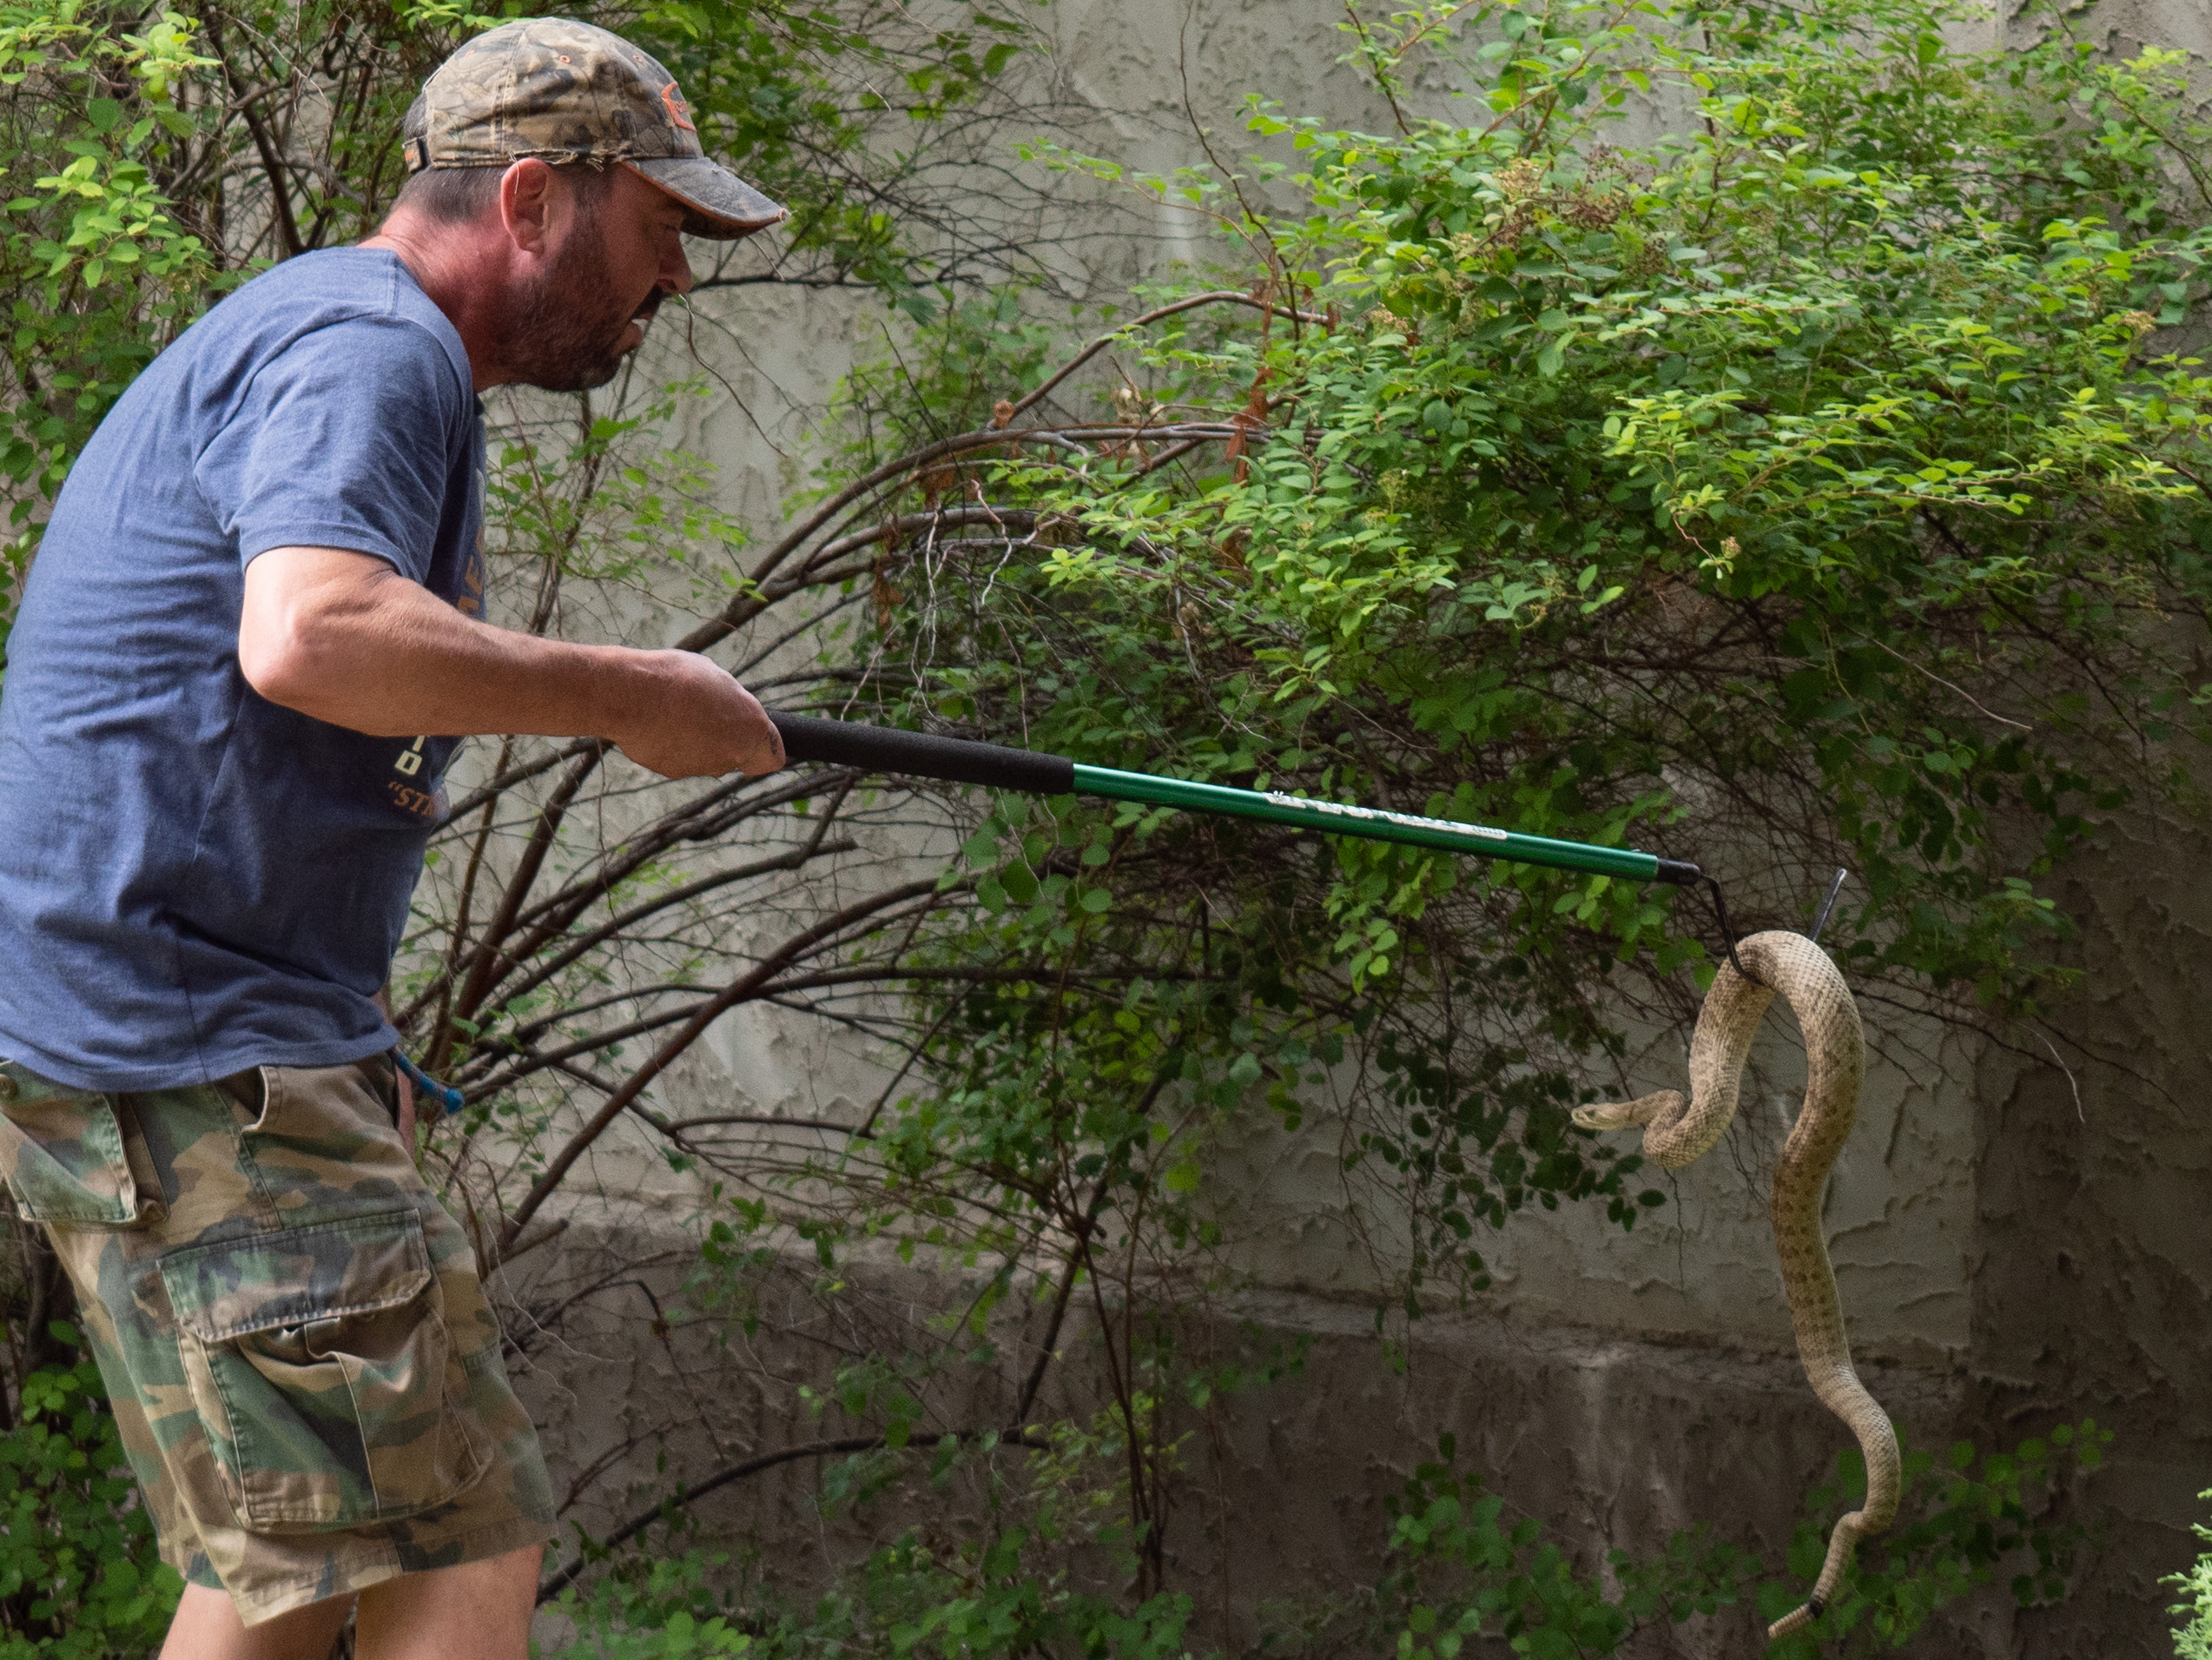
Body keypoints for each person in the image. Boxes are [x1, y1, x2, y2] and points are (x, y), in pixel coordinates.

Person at [0, 17, 786, 1658]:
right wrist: (633, 693)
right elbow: (312, 635)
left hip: (201, 1049)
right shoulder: (375, 348)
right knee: (438, 1565)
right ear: (528, 201)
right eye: (659, 234)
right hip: (191, 1058)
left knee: (312, 1574)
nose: (675, 286)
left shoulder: (331, 333)